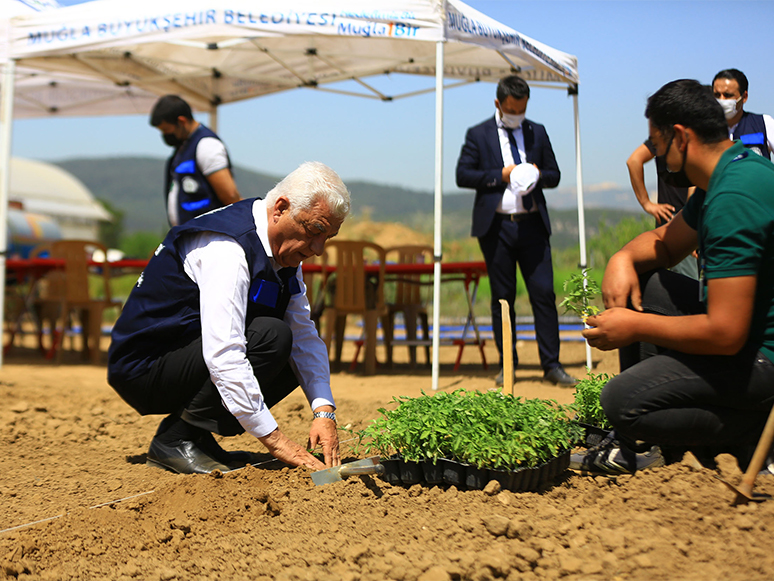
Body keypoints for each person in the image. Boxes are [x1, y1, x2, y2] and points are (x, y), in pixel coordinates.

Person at [575, 79, 774, 476]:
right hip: (743, 341)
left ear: (680, 138)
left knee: (621, 402)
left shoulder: (733, 200)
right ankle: (639, 445)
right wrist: (621, 259)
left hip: (762, 360)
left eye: (657, 144)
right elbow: (665, 245)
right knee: (645, 278)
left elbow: (725, 332)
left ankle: (747, 433)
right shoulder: (727, 175)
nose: (656, 157)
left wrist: (633, 326)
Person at [107, 161, 350, 474]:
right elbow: (224, 354)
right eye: (314, 230)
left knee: (288, 343)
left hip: (187, 357)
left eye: (327, 237)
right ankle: (176, 439)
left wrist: (324, 411)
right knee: (271, 336)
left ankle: (194, 435)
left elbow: (304, 335)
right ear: (280, 208)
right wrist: (275, 441)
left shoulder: (284, 252)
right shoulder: (227, 247)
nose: (318, 248)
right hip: (143, 368)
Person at [456, 74, 576, 387]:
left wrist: (537, 173)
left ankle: (551, 365)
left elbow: (555, 174)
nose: (517, 115)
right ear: (498, 103)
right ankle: (507, 364)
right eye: (511, 109)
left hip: (533, 226)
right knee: (502, 298)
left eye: (521, 110)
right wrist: (502, 174)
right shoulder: (478, 134)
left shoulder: (538, 132)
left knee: (543, 295)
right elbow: (463, 175)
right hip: (496, 229)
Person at [150, 95, 242, 227]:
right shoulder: (182, 148)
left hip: (208, 235)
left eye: (166, 130)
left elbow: (230, 195)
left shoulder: (207, 145)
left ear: (181, 121)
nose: (164, 135)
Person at [626, 141, 698, 278]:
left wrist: (647, 203)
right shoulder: (676, 131)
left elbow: (634, 160)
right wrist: (646, 203)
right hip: (681, 218)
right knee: (690, 284)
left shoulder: (663, 131)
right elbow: (634, 161)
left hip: (673, 217)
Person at [712, 68, 774, 160]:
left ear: (744, 97)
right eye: (717, 95)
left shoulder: (763, 123)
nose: (722, 100)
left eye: (728, 95)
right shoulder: (704, 128)